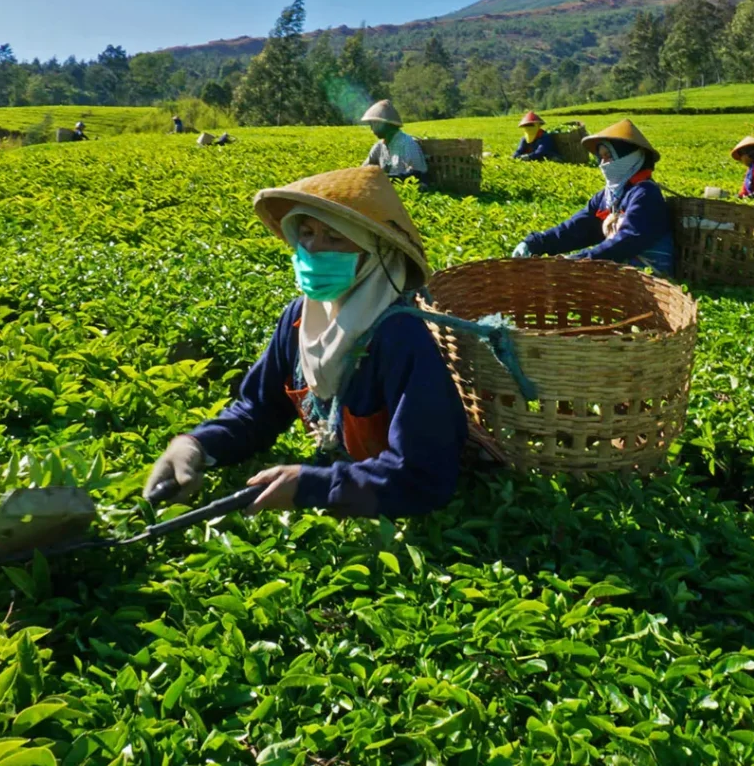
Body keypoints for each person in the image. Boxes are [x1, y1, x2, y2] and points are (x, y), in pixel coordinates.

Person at [144, 165, 496, 517]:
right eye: (307, 232)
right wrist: (196, 445)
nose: (313, 248)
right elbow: (259, 409)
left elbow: (424, 475)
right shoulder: (298, 318)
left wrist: (315, 486)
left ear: (376, 253)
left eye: (335, 237)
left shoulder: (398, 335)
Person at [511, 118, 675, 274]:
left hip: (650, 274)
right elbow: (576, 228)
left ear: (630, 156)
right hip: (622, 270)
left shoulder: (645, 194)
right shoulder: (608, 196)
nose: (603, 164)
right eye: (601, 157)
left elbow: (629, 240)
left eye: (608, 156)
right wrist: (535, 243)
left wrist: (581, 260)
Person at [360, 100, 428, 185]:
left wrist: (388, 179)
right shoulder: (379, 147)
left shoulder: (407, 143)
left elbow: (418, 175)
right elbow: (362, 171)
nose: (371, 128)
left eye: (373, 124)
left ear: (383, 124)